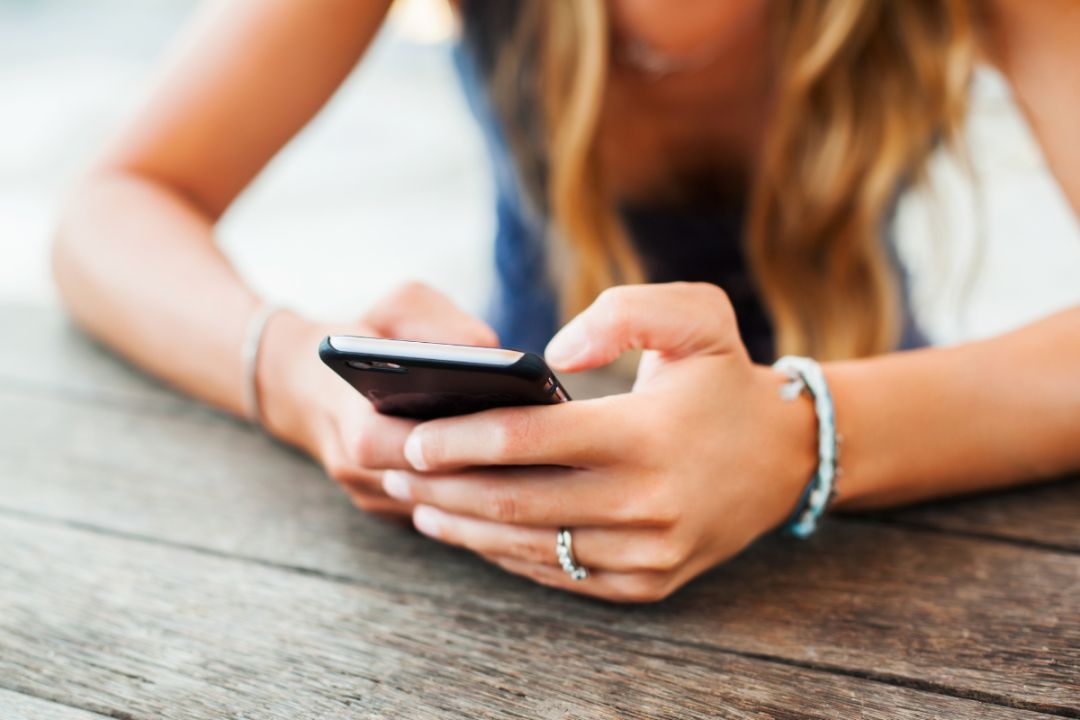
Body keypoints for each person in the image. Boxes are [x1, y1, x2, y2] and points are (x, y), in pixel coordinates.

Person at [52, 0, 1080, 602]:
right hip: (517, 527)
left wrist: (795, 438)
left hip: (911, 486)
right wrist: (305, 388)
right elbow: (108, 211)